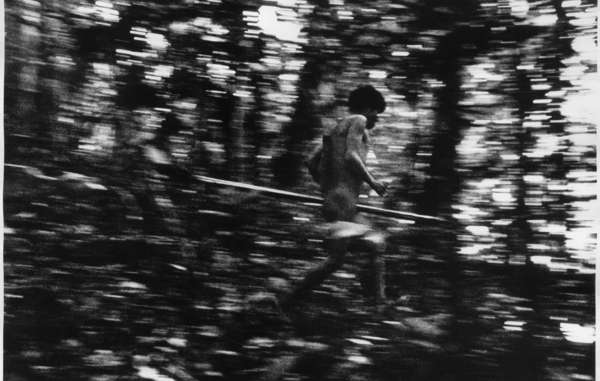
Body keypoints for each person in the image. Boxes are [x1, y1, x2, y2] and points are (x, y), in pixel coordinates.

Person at [280, 85, 388, 309]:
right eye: (377, 112)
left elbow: (311, 162)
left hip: (335, 201)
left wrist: (329, 188)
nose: (377, 119)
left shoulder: (334, 129)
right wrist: (374, 183)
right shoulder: (358, 120)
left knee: (338, 260)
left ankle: (288, 300)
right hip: (342, 202)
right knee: (376, 242)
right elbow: (350, 157)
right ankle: (378, 302)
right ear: (368, 108)